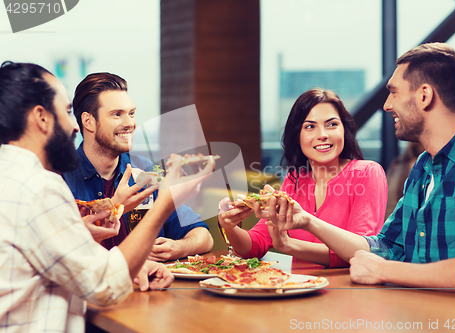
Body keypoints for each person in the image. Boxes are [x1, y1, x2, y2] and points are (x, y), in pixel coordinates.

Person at [262, 42, 455, 296]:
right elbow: (385, 246)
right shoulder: (423, 167)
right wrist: (308, 222)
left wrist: (384, 270)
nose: (387, 104)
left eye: (394, 92)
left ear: (424, 95)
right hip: (415, 313)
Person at [0, 61, 212, 331]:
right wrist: (164, 203)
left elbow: (66, 262)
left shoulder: (11, 176)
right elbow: (104, 286)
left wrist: (136, 265)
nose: (73, 126)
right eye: (66, 111)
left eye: (132, 113)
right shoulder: (43, 186)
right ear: (42, 117)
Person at [218, 89, 387, 267]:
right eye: (310, 126)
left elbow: (361, 252)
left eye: (332, 124)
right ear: (297, 136)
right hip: (299, 289)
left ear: (344, 130)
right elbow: (256, 245)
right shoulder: (295, 179)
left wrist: (290, 245)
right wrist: (229, 226)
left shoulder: (367, 172)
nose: (322, 134)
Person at [63, 72, 213, 261]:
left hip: (151, 287)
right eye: (117, 114)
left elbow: (203, 236)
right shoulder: (59, 177)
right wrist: (116, 208)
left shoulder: (146, 170)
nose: (130, 124)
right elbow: (58, 254)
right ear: (88, 121)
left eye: (131, 113)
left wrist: (178, 247)